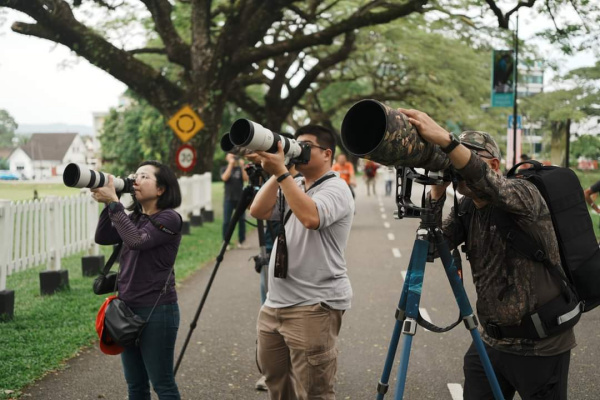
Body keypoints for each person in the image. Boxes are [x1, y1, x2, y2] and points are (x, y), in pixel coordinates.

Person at [400, 108, 576, 400]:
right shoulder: (467, 210)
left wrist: (447, 143)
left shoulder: (524, 194)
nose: (457, 166)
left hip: (540, 345)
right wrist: (437, 191)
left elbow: (487, 182)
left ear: (493, 164)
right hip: (491, 342)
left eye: (465, 159)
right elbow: (431, 245)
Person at [248, 125, 354, 399]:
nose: (299, 149)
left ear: (327, 154)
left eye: (306, 146)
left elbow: (311, 218)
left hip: (314, 306)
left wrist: (282, 172)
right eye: (297, 144)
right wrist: (279, 172)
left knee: (314, 392)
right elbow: (258, 210)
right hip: (275, 304)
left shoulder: (337, 187)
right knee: (277, 384)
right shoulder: (292, 183)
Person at [92, 160, 183, 400]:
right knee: (135, 385)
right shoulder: (133, 217)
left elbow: (137, 241)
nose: (136, 180)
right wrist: (110, 202)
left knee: (162, 384)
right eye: (135, 175)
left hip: (157, 311)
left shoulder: (170, 218)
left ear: (161, 189)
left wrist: (114, 203)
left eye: (144, 176)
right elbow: (102, 236)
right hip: (126, 309)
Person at [221, 153, 249, 250]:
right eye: (231, 156)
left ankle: (241, 241)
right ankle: (225, 242)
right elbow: (225, 178)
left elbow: (246, 179)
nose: (234, 157)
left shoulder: (240, 169)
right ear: (226, 158)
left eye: (234, 156)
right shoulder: (224, 168)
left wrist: (242, 166)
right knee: (226, 221)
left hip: (240, 199)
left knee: (242, 221)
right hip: (228, 198)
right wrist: (230, 164)